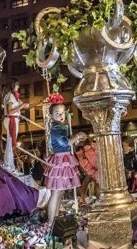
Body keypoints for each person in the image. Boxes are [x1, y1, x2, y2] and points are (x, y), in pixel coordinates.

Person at [43, 93, 86, 226]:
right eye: (57, 113)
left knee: (59, 192)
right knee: (56, 192)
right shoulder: (56, 127)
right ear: (51, 115)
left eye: (62, 113)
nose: (61, 116)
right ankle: (50, 223)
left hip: (63, 159)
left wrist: (76, 138)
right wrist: (77, 136)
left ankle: (54, 221)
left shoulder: (60, 126)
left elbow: (68, 142)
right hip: (60, 161)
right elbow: (64, 143)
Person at [3, 77, 29, 172]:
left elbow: (26, 106)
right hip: (11, 120)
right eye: (17, 84)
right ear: (13, 85)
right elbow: (10, 111)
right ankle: (8, 166)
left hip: (13, 120)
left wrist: (39, 102)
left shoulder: (14, 97)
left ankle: (10, 166)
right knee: (10, 143)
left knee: (11, 143)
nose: (18, 86)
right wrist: (22, 106)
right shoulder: (10, 96)